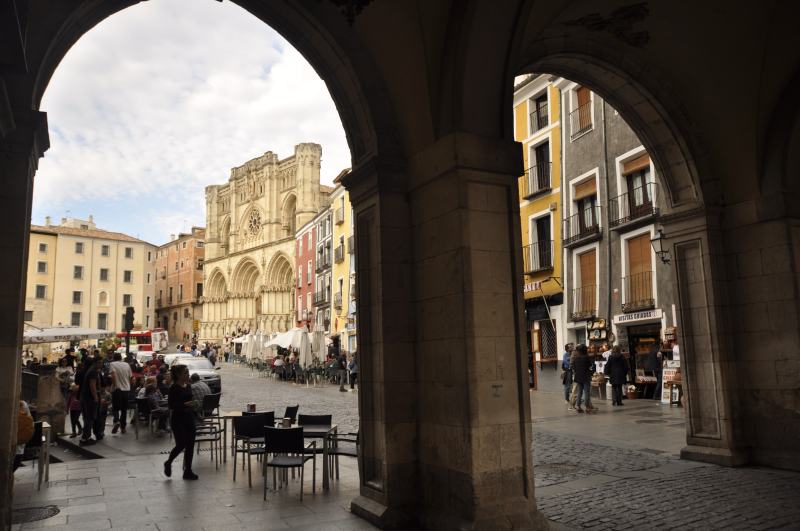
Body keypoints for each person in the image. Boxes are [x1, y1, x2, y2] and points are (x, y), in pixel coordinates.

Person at [164, 364, 198, 480]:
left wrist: (194, 405)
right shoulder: (174, 388)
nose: (188, 374)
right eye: (185, 373)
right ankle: (168, 462)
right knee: (181, 444)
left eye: (188, 372)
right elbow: (171, 405)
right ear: (179, 375)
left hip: (189, 417)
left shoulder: (188, 386)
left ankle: (188, 470)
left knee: (190, 445)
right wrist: (184, 404)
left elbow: (191, 399)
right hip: (178, 419)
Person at [79, 357, 102, 445]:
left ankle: (85, 437)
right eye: (99, 362)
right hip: (89, 399)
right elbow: (92, 386)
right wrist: (96, 398)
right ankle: (85, 438)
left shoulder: (91, 371)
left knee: (88, 418)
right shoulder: (93, 372)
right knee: (89, 418)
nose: (101, 364)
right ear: (95, 363)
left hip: (85, 398)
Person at [109, 352, 132, 434]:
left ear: (114, 358)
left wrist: (114, 386)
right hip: (126, 389)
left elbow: (113, 375)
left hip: (117, 389)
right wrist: (128, 386)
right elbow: (130, 377)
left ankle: (117, 421)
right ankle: (123, 428)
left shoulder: (112, 364)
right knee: (124, 410)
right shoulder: (127, 365)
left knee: (115, 407)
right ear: (121, 358)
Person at [570, 344, 594, 413]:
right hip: (586, 377)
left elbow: (574, 367)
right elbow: (590, 366)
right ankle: (587, 407)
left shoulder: (576, 359)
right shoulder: (587, 358)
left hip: (578, 377)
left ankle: (578, 406)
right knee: (587, 392)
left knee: (579, 391)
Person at [561, 344, 574, 408]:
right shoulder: (565, 355)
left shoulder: (573, 354)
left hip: (573, 371)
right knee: (567, 385)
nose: (572, 347)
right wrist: (572, 363)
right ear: (567, 349)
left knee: (573, 385)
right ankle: (566, 399)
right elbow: (566, 362)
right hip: (568, 371)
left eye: (572, 347)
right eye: (570, 347)